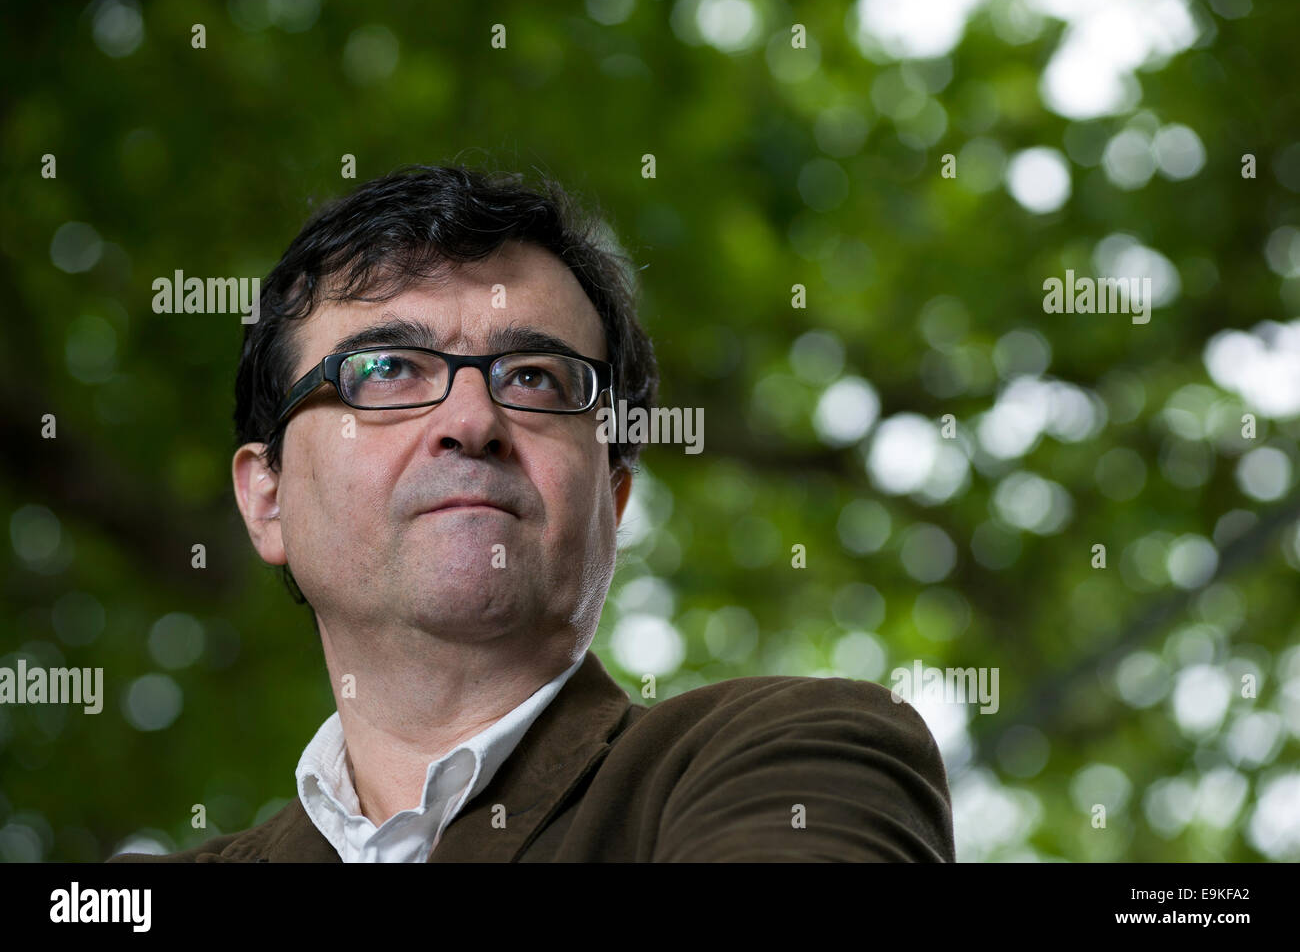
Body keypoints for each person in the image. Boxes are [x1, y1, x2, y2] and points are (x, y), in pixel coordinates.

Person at [108, 163, 955, 862]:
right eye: (388, 369)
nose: (471, 421)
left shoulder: (799, 755)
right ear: (267, 498)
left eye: (534, 380)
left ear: (613, 499)